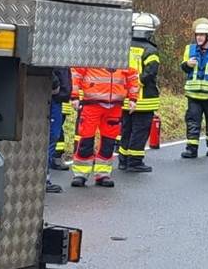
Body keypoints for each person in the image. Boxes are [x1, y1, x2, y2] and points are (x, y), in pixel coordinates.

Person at [69, 66, 138, 187]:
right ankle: (80, 174)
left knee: (108, 141)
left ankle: (103, 173)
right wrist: (74, 96)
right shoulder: (92, 57)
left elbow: (132, 76)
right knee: (86, 139)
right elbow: (76, 74)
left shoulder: (122, 57)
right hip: (92, 103)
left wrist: (133, 98)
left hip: (115, 106)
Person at [119, 12, 161, 173]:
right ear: (149, 32)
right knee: (140, 130)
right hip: (143, 100)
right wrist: (137, 84)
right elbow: (151, 72)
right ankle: (135, 161)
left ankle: (123, 160)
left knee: (126, 129)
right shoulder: (150, 50)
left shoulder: (124, 46)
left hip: (124, 96)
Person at [181, 18, 208, 158]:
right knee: (192, 122)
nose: (199, 37)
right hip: (193, 95)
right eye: (197, 35)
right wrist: (187, 64)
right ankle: (191, 149)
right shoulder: (190, 49)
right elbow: (184, 67)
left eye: (202, 35)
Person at [46, 67, 72, 193]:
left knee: (52, 137)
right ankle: (44, 179)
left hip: (57, 98)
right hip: (53, 97)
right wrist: (55, 83)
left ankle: (45, 177)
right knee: (50, 138)